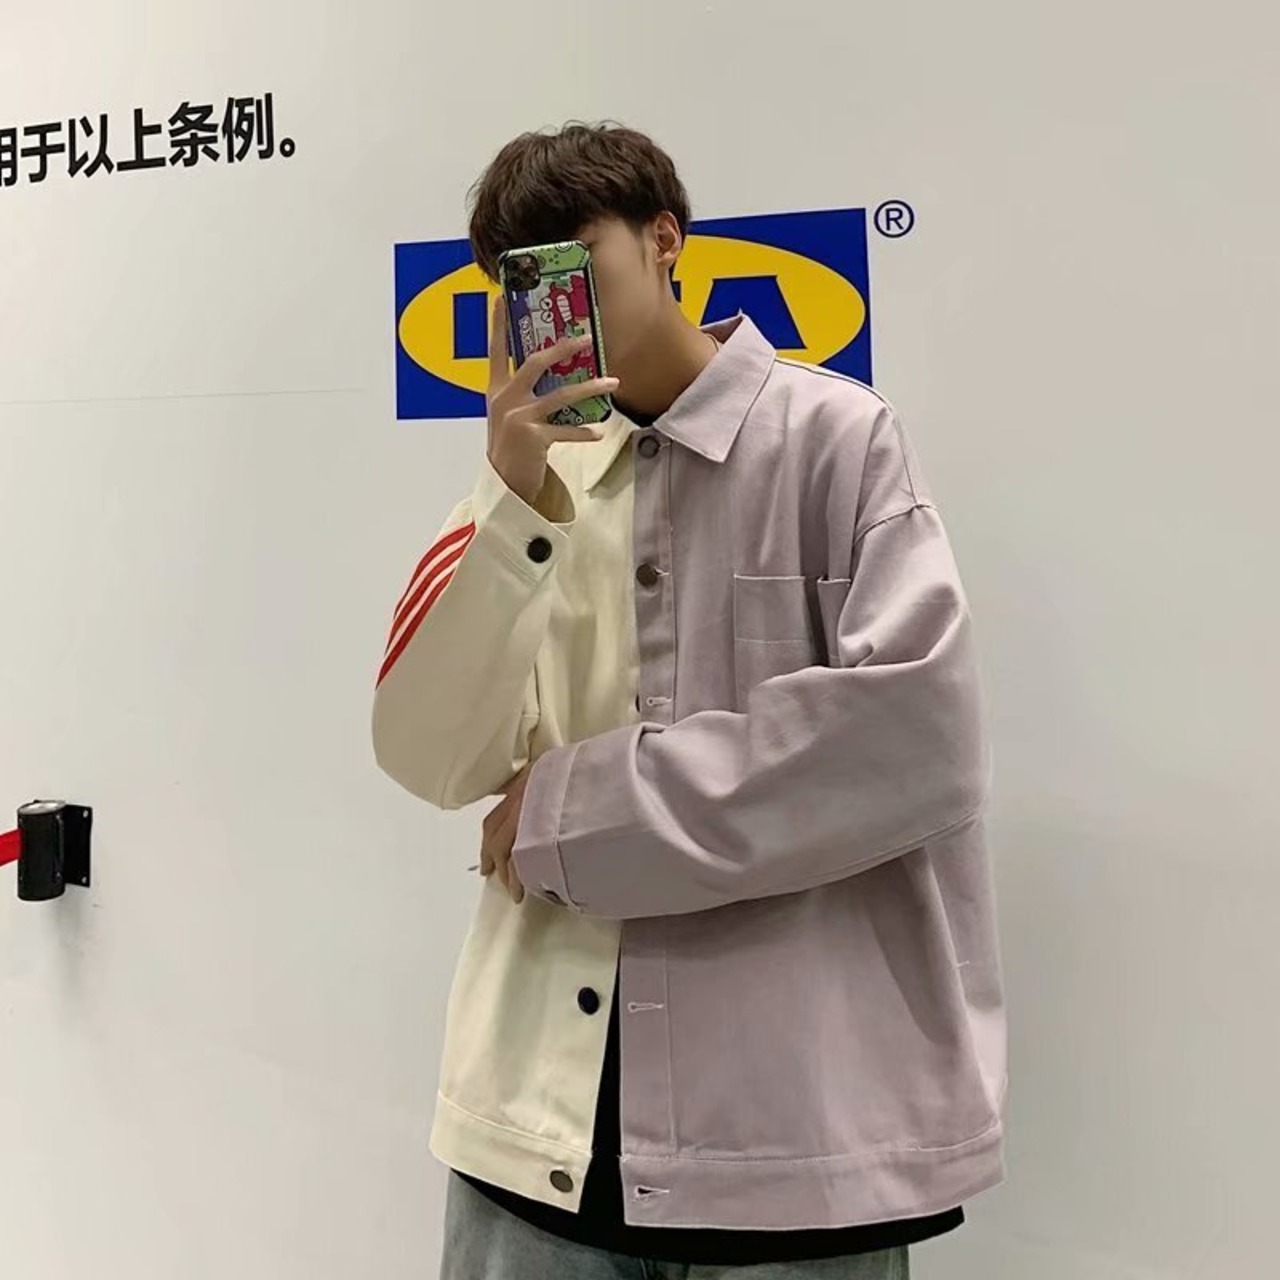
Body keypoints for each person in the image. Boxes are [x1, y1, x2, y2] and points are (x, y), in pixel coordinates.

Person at [372, 122, 1007, 1278]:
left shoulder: (834, 439)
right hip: (534, 1137)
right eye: (522, 283)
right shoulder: (531, 482)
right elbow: (431, 757)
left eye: (576, 262)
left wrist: (571, 807)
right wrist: (508, 502)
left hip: (789, 1144)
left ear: (664, 239)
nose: (555, 309)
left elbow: (913, 743)